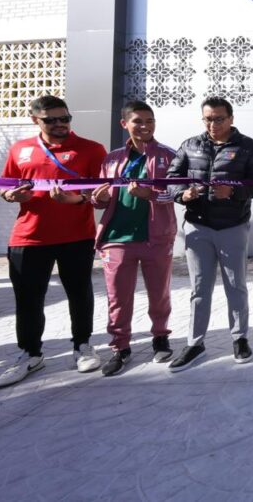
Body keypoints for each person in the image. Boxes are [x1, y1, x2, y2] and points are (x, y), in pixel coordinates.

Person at [0, 95, 107, 388]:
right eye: (51, 120)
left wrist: (75, 200)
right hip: (29, 236)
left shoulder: (92, 149)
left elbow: (100, 192)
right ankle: (30, 354)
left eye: (65, 118)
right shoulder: (20, 149)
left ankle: (83, 346)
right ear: (35, 120)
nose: (60, 124)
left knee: (79, 293)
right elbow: (5, 186)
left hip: (76, 236)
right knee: (28, 299)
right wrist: (11, 195)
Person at [166, 97, 253, 371]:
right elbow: (172, 178)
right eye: (208, 119)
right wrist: (182, 194)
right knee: (200, 288)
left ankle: (240, 338)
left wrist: (232, 192)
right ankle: (195, 343)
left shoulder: (247, 146)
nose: (213, 124)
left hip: (233, 226)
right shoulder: (190, 145)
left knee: (236, 285)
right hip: (198, 226)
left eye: (219, 119)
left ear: (231, 118)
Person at [90, 101, 178, 376]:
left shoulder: (169, 156)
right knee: (118, 297)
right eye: (138, 121)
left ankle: (160, 338)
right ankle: (120, 347)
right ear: (124, 124)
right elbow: (98, 197)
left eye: (149, 121)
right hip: (116, 237)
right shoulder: (112, 158)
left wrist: (148, 194)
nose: (145, 126)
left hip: (156, 237)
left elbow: (176, 193)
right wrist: (100, 197)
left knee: (159, 293)